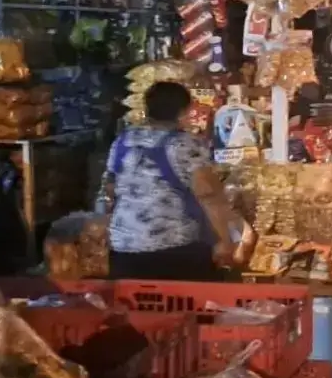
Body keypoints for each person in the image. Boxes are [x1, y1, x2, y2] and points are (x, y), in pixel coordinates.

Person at [100, 82, 239, 280]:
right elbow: (208, 193)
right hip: (175, 251)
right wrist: (226, 239)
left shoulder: (124, 140)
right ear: (184, 111)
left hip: (124, 250)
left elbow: (110, 187)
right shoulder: (184, 144)